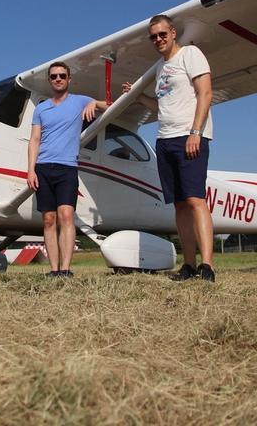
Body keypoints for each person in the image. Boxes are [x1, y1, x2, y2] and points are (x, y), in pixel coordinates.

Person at [122, 15, 216, 282]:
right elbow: (161, 107)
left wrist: (195, 132)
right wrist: (137, 95)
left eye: (162, 34)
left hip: (189, 136)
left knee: (196, 200)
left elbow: (205, 93)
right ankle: (188, 264)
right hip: (164, 139)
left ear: (173, 33)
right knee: (179, 205)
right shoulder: (161, 68)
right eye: (153, 37)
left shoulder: (191, 54)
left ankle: (207, 266)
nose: (158, 40)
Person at [27, 62, 109, 277]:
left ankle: (66, 269)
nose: (58, 79)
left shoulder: (80, 100)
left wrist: (95, 105)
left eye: (62, 75)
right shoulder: (41, 108)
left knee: (66, 215)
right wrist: (30, 170)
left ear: (69, 79)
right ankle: (54, 270)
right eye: (53, 76)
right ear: (49, 80)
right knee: (48, 219)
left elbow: (108, 106)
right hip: (43, 168)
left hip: (67, 168)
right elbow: (34, 140)